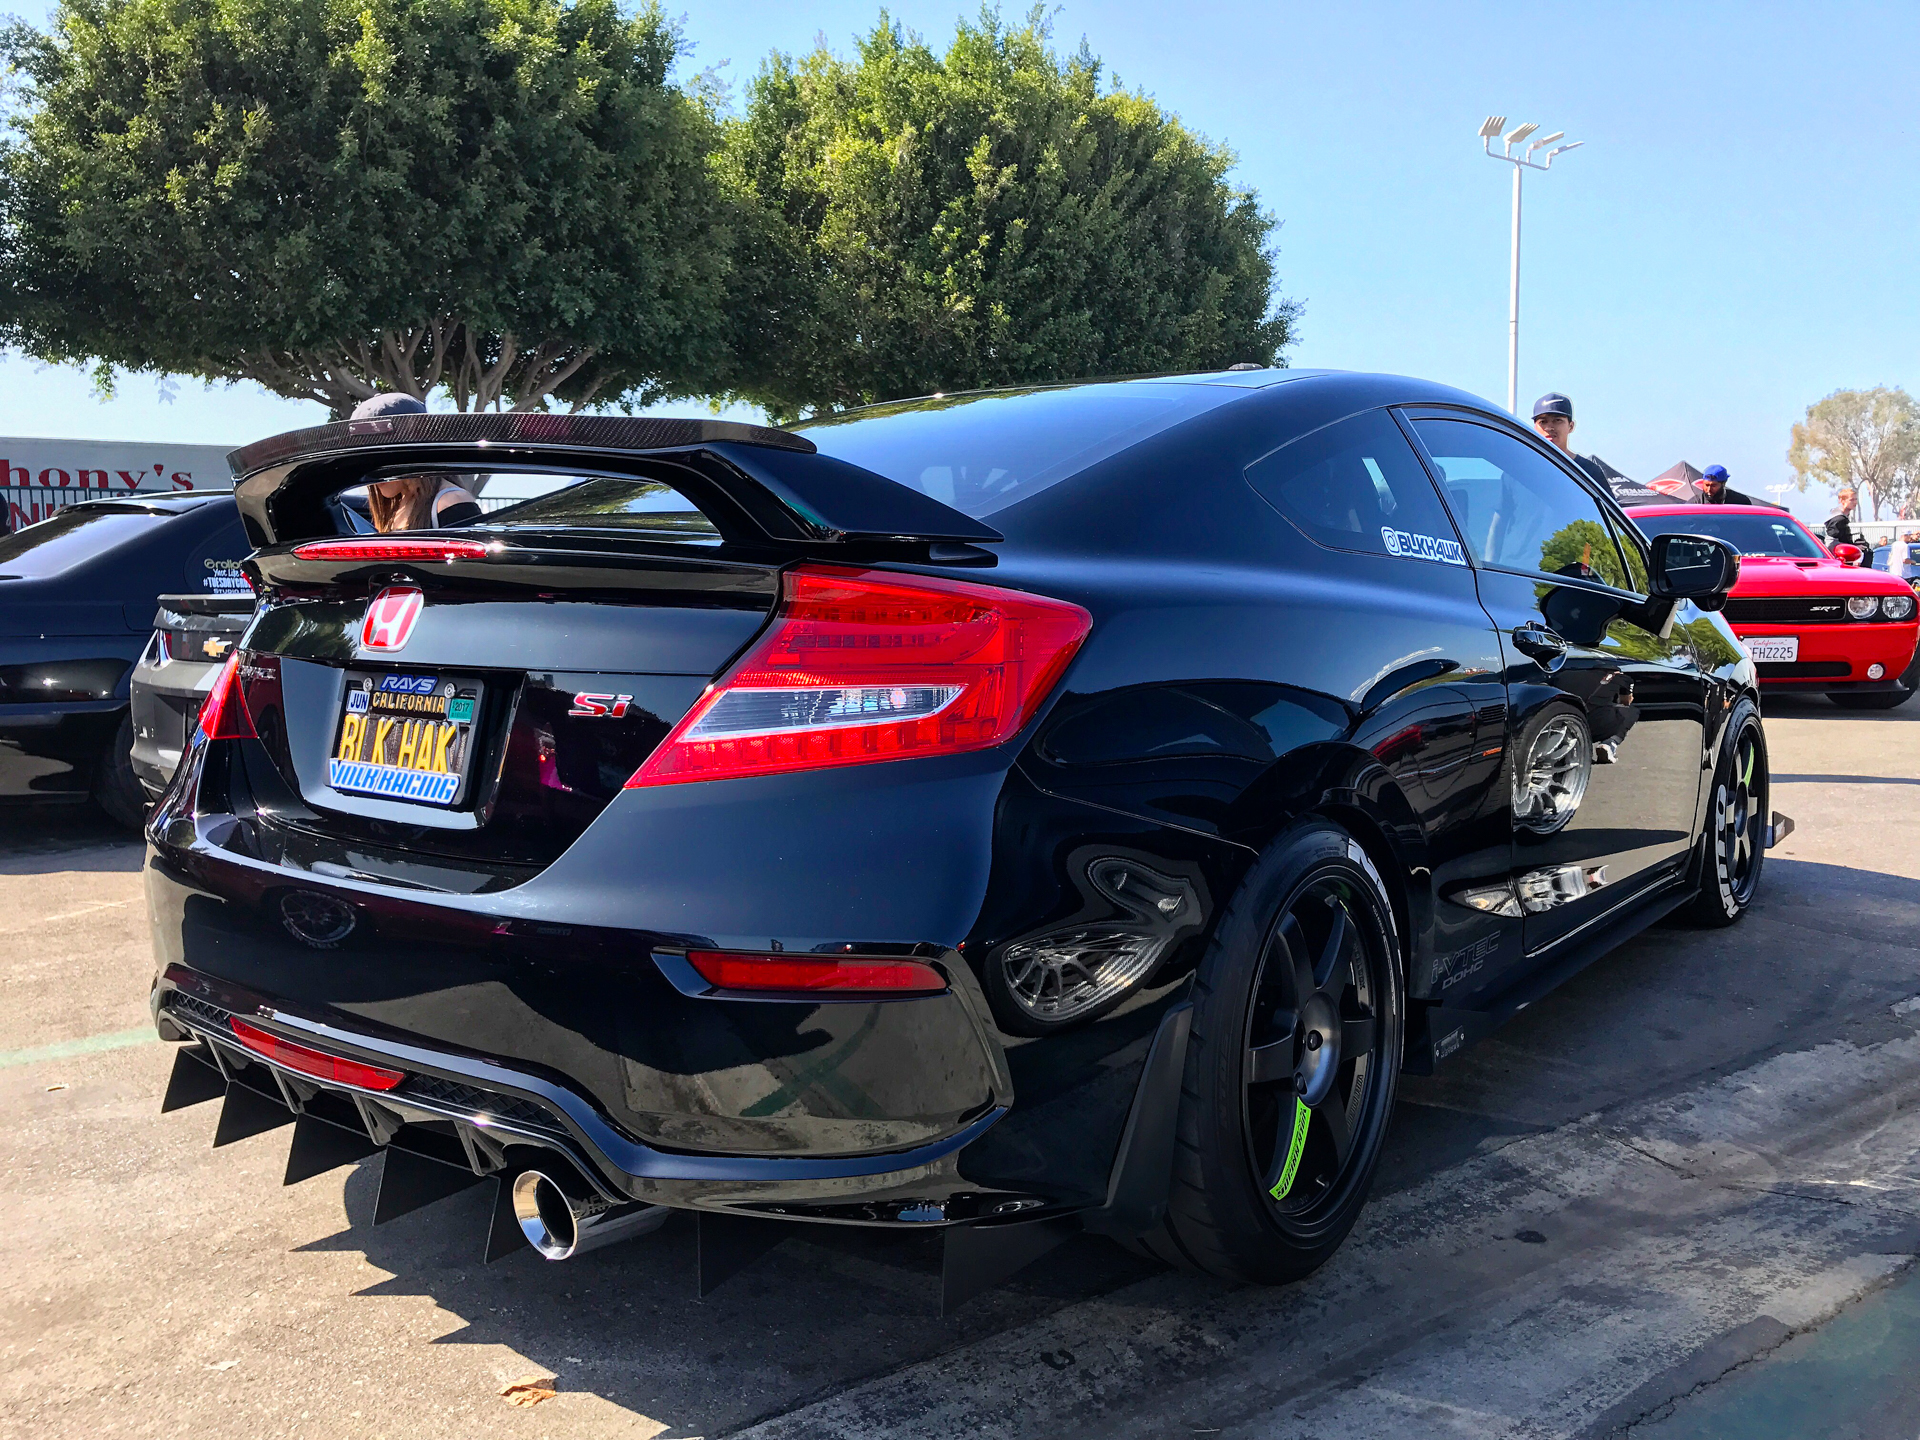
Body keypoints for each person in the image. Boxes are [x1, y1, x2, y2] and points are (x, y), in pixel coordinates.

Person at [350, 393, 483, 532]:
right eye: (365, 456)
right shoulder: (399, 505)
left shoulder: (451, 501)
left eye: (381, 454)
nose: (371, 465)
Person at [1530, 393, 1616, 488]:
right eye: (1543, 422)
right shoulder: (1527, 465)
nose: (1549, 427)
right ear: (1535, 427)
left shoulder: (1588, 471)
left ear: (1571, 426)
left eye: (1557, 420)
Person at [1824, 487, 1872, 567]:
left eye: (1856, 499)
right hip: (1838, 558)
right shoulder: (1838, 518)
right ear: (1842, 500)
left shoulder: (1842, 516)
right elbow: (1831, 542)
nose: (1855, 502)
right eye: (1851, 500)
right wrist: (1854, 547)